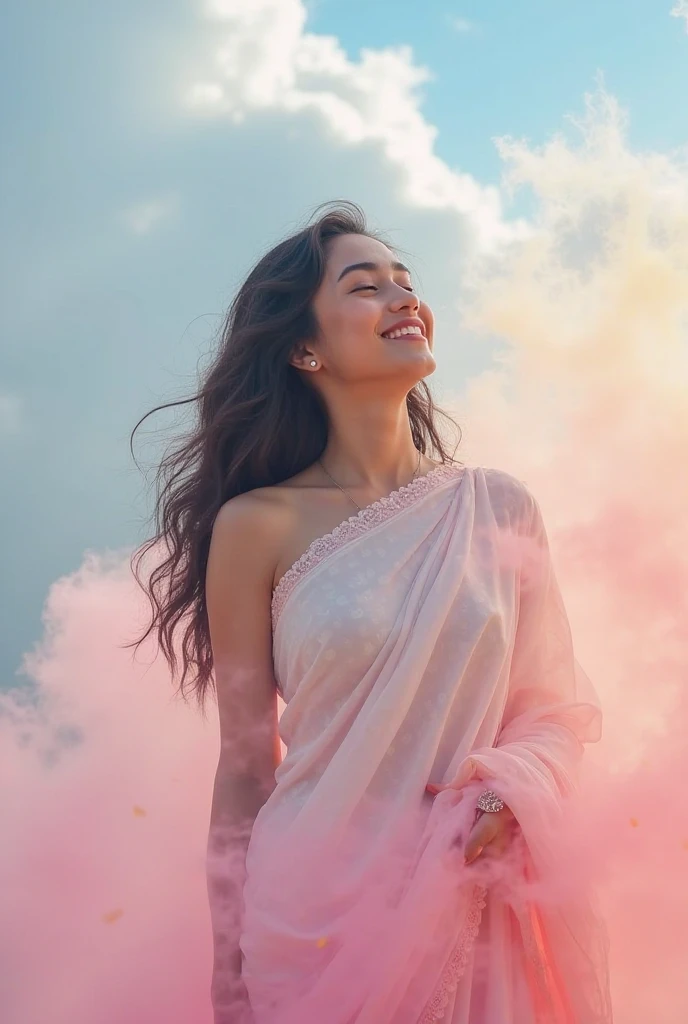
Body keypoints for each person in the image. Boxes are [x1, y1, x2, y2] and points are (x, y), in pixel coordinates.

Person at [127, 201, 613, 1022]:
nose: (402, 298)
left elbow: (555, 710)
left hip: (469, 887)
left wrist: (504, 794)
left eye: (406, 281)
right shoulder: (258, 526)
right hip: (313, 916)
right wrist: (228, 968)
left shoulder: (497, 508)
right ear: (303, 348)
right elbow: (247, 766)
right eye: (365, 286)